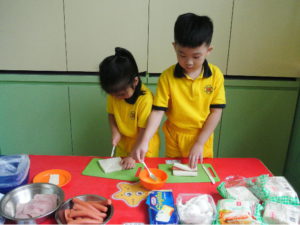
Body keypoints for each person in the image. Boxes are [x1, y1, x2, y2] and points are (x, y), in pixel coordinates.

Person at [132, 13, 226, 168]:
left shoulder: (215, 76)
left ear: (209, 50)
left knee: (199, 176)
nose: (188, 62)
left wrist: (200, 143)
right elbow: (157, 112)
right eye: (181, 55)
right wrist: (145, 141)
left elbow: (216, 112)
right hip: (174, 137)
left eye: (196, 57)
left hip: (202, 137)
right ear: (174, 46)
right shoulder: (167, 77)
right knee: (175, 175)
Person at [98, 47, 160, 169]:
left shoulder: (145, 100)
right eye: (112, 94)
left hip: (143, 148)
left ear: (135, 81)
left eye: (121, 94)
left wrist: (132, 156)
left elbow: (143, 132)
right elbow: (111, 115)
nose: (117, 97)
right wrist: (115, 131)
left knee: (140, 179)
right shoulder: (114, 94)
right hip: (123, 146)